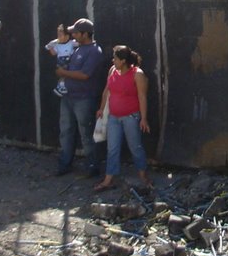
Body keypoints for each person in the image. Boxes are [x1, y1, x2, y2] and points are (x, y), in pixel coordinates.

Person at [93, 45, 151, 191]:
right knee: (112, 148)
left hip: (131, 117)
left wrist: (143, 118)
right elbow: (107, 90)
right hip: (114, 116)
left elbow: (142, 97)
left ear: (123, 60)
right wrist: (101, 108)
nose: (113, 61)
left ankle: (143, 176)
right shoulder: (113, 70)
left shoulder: (137, 74)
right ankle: (108, 179)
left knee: (135, 147)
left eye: (116, 58)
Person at [55, 17, 105, 177]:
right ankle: (65, 162)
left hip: (84, 98)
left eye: (76, 33)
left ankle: (92, 165)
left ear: (85, 34)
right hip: (69, 96)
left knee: (87, 132)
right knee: (66, 130)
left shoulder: (94, 52)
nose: (73, 35)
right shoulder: (77, 48)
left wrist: (63, 73)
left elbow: (84, 75)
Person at [45, 23, 77, 97]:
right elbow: (53, 53)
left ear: (67, 36)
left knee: (67, 75)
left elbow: (80, 43)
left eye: (60, 35)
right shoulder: (57, 45)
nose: (58, 37)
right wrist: (50, 47)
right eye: (58, 35)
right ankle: (60, 87)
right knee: (63, 74)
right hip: (61, 62)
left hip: (70, 61)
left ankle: (61, 87)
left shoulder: (71, 43)